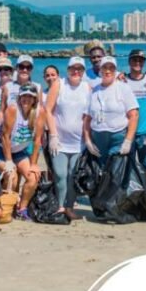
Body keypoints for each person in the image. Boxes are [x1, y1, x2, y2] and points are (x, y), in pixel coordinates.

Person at [45, 57, 91, 219]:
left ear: (84, 71)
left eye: (80, 69)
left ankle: (69, 207)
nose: (76, 72)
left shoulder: (87, 87)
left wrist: (89, 139)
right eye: (73, 68)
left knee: (72, 175)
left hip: (79, 143)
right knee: (60, 174)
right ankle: (60, 206)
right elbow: (48, 110)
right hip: (59, 142)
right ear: (68, 69)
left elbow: (91, 113)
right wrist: (53, 135)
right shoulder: (59, 84)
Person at [0, 83, 47, 221]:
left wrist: (34, 163)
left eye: (30, 97)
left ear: (35, 99)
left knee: (33, 177)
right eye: (24, 96)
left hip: (19, 150)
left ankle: (22, 208)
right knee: (12, 176)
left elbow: (37, 140)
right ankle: (7, 206)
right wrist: (8, 161)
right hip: (0, 149)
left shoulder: (40, 111)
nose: (26, 99)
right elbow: (5, 136)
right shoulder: (13, 109)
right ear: (19, 98)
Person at [84, 57, 139, 164]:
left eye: (111, 68)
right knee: (101, 172)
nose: (108, 71)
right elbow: (87, 118)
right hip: (98, 137)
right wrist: (88, 140)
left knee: (116, 174)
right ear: (100, 70)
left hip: (118, 137)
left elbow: (134, 115)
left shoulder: (124, 88)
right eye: (105, 67)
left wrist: (128, 141)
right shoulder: (94, 90)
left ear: (115, 71)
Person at [124, 49, 146, 178]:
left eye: (140, 60)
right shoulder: (122, 81)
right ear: (129, 61)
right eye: (134, 60)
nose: (137, 62)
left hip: (145, 132)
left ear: (144, 63)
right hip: (127, 132)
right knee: (127, 166)